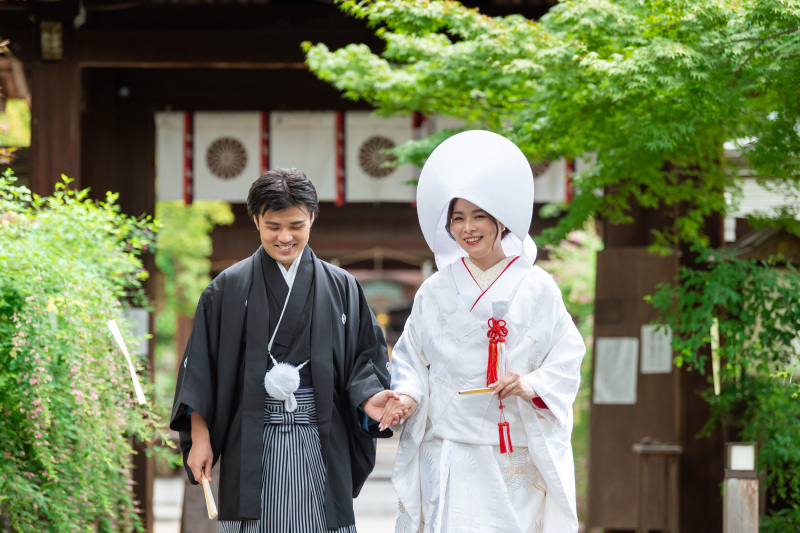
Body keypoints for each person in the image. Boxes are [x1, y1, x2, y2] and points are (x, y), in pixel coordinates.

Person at [170, 168, 401, 533]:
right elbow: (201, 369)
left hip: (321, 435)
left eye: (296, 225)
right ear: (256, 221)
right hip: (250, 439)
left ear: (312, 217)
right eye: (273, 226)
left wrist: (368, 397)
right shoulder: (227, 288)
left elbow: (365, 358)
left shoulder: (342, 287)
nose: (285, 236)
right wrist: (200, 439)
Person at [380, 130, 586, 533]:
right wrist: (406, 394)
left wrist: (531, 384)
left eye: (479, 217)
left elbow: (566, 355)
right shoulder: (435, 290)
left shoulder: (537, 286)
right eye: (458, 218)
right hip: (451, 449)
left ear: (500, 221)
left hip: (513, 449)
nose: (468, 228)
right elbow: (411, 359)